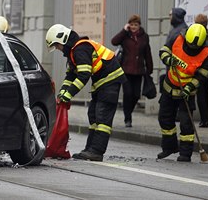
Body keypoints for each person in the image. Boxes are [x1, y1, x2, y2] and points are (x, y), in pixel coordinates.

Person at [46, 23, 126, 162]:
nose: (57, 49)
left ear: (63, 39)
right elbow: (70, 76)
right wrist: (62, 92)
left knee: (102, 117)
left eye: (57, 45)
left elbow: (84, 75)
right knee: (93, 114)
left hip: (110, 81)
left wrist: (69, 94)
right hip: (102, 83)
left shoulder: (80, 49)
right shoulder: (73, 52)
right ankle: (90, 149)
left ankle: (96, 151)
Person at [157, 23, 208, 162]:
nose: (190, 48)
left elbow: (202, 75)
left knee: (186, 123)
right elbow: (163, 50)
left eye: (193, 47)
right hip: (169, 87)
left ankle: (185, 153)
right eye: (189, 45)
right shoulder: (178, 38)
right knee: (164, 118)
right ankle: (169, 147)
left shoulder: (207, 53)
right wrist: (167, 59)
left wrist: (190, 87)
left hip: (186, 92)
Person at [111, 14, 153, 128]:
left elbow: (147, 53)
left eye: (136, 25)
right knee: (128, 93)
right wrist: (124, 31)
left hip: (139, 71)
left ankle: (128, 111)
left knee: (136, 95)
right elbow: (114, 41)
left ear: (139, 25)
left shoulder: (144, 36)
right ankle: (127, 118)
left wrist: (149, 68)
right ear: (129, 25)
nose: (134, 27)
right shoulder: (125, 35)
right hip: (126, 70)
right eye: (132, 24)